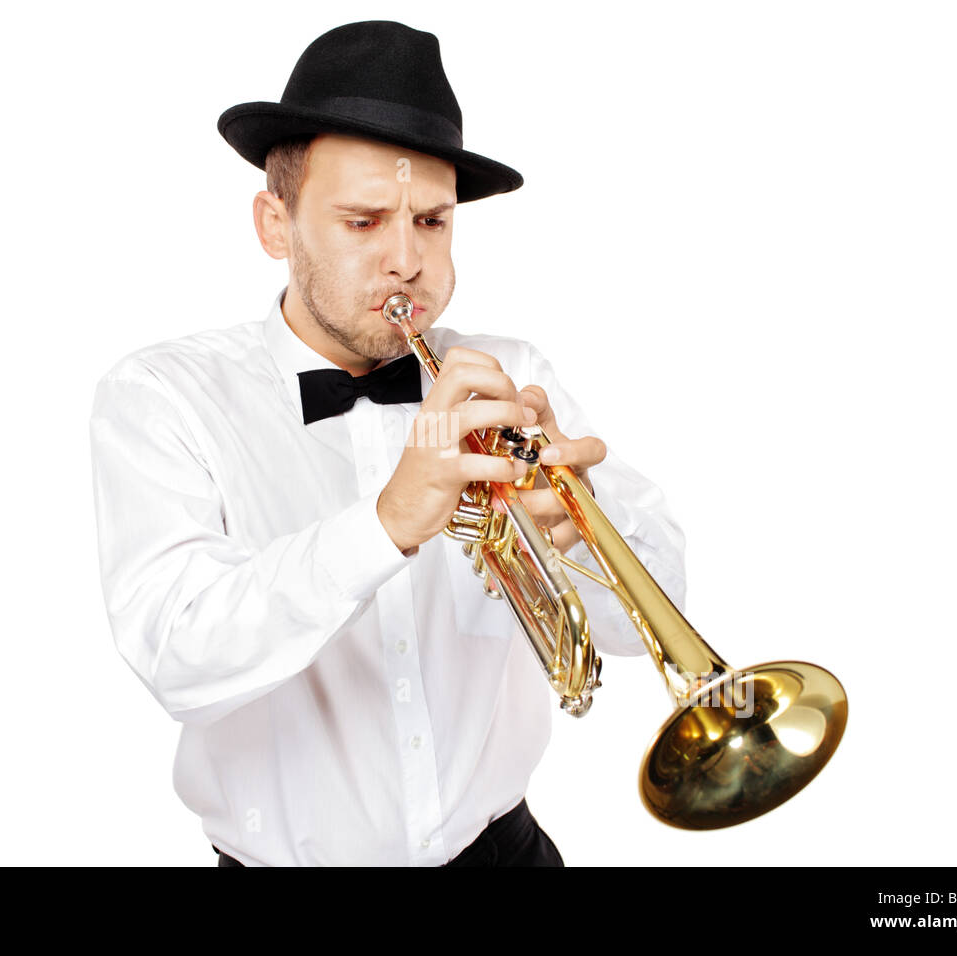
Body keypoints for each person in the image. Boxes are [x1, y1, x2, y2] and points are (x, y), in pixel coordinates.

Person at [88, 20, 688, 867]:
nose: (407, 261)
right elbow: (177, 655)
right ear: (274, 223)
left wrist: (580, 532)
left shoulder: (510, 375)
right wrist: (388, 520)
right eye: (364, 221)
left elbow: (650, 619)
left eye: (432, 222)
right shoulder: (164, 398)